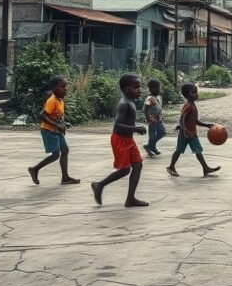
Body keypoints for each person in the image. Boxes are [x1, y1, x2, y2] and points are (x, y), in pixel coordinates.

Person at [91, 74, 149, 207]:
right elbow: (117, 125)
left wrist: (135, 128)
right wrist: (135, 128)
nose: (139, 90)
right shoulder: (124, 104)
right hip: (120, 140)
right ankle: (99, 185)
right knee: (125, 170)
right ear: (127, 89)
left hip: (129, 139)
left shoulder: (130, 102)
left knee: (138, 165)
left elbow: (128, 121)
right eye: (136, 87)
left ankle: (130, 199)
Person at [27, 76, 80, 185]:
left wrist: (63, 124)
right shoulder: (52, 100)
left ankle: (65, 178)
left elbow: (56, 116)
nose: (66, 89)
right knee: (56, 155)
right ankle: (35, 169)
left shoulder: (60, 100)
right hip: (48, 130)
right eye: (63, 87)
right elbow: (42, 115)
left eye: (66, 87)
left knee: (65, 150)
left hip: (56, 130)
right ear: (54, 88)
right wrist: (57, 125)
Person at [166, 84, 221, 177]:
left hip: (192, 134)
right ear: (188, 95)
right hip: (185, 134)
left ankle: (205, 168)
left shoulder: (193, 105)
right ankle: (171, 166)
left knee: (198, 150)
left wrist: (206, 125)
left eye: (197, 92)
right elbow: (181, 119)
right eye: (194, 92)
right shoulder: (188, 106)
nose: (197, 94)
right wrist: (185, 130)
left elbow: (195, 121)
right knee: (179, 150)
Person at [143, 79, 166, 157]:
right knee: (157, 134)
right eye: (159, 88)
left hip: (158, 119)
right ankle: (150, 147)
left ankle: (150, 146)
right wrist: (148, 118)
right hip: (152, 120)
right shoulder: (150, 98)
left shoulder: (158, 97)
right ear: (153, 89)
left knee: (158, 134)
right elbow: (145, 108)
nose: (160, 90)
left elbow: (159, 108)